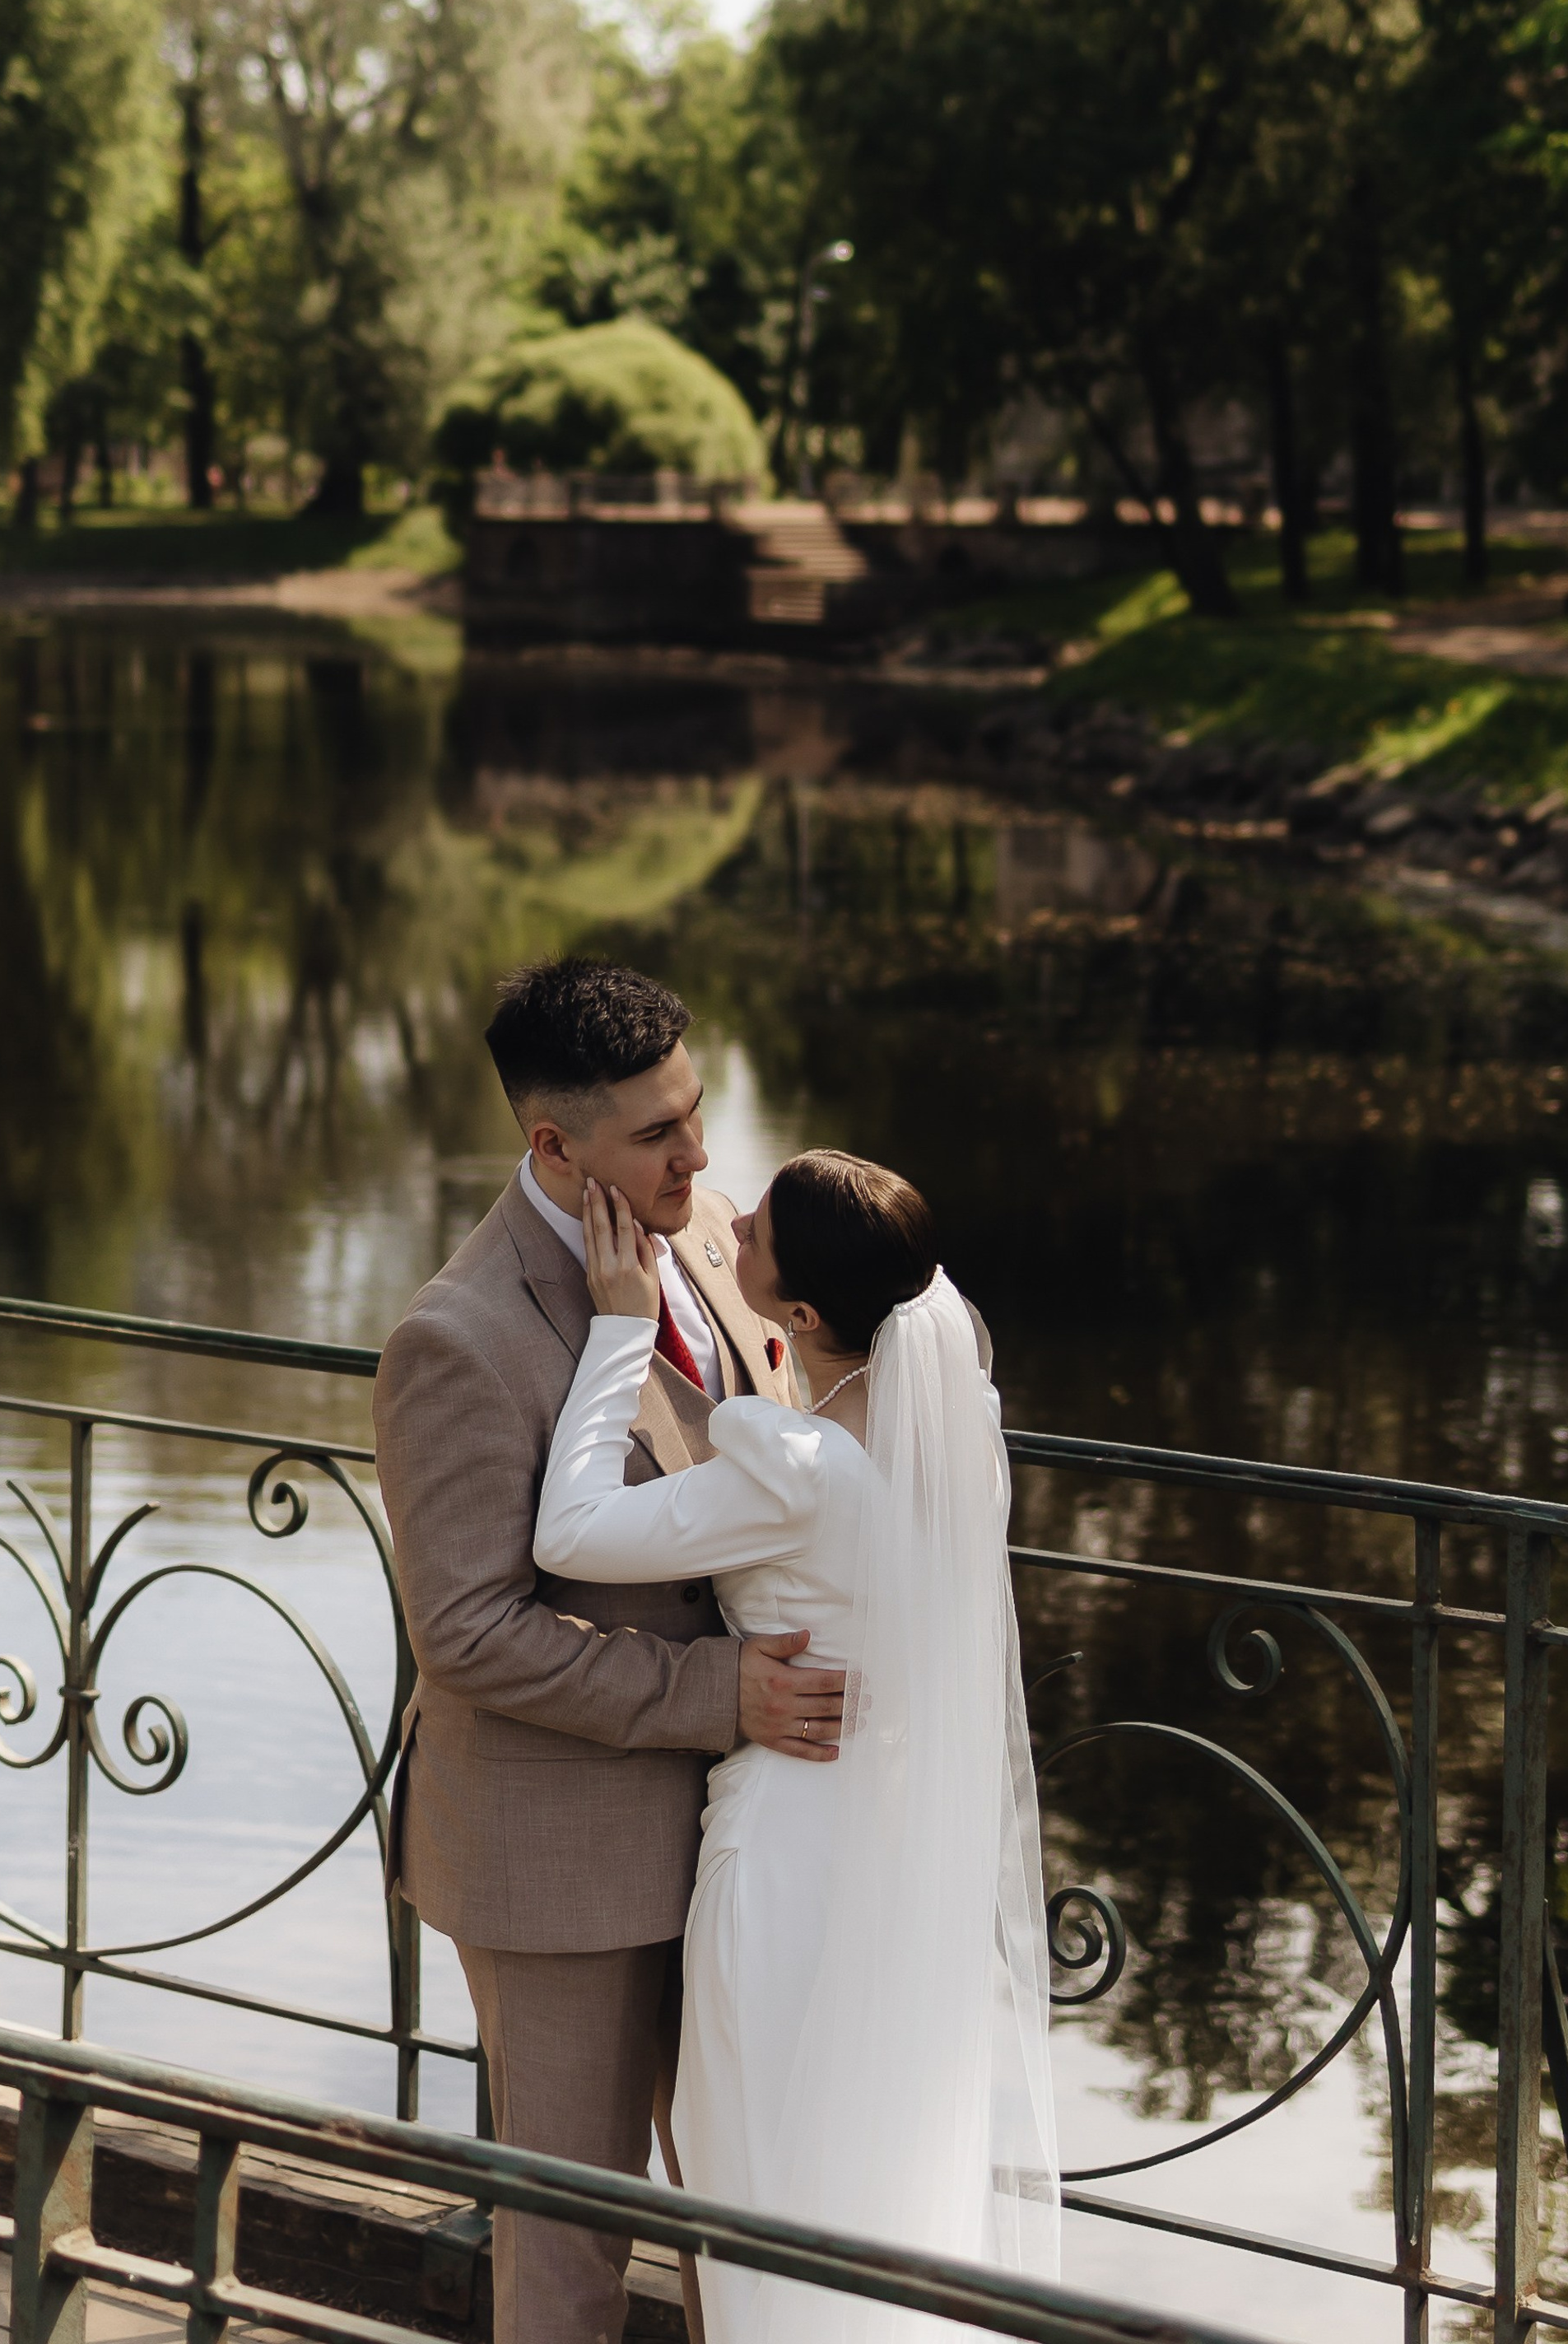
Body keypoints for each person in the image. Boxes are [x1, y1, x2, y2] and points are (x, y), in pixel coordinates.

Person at [371, 958, 839, 2344]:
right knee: (572, 2259)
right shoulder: (455, 1340)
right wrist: (720, 1694)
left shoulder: (708, 1239)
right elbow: (465, 1634)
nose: (701, 1153)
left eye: (695, 1111)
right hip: (559, 1861)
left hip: (753, 1837)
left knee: (750, 2229)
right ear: (552, 1146)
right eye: (659, 1134)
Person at [533, 1149, 1062, 2344]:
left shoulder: (798, 1466)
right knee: (867, 2165)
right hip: (894, 1843)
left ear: (807, 1313)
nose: (730, 1225)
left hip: (784, 1850)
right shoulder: (959, 1424)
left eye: (755, 1233)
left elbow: (572, 1528)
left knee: (757, 2180)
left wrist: (622, 1330)